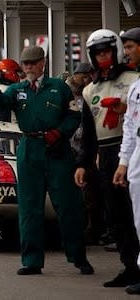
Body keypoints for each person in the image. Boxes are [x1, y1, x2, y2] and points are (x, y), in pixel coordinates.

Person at [0, 45, 94, 276]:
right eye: (26, 64)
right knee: (29, 208)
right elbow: (1, 103)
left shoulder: (59, 87)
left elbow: (74, 115)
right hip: (29, 148)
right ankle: (32, 260)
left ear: (43, 62)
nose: (29, 67)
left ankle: (78, 256)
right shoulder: (17, 89)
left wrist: (61, 132)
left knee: (68, 205)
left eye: (33, 63)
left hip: (57, 150)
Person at [82, 29, 140, 288]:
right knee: (115, 216)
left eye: (107, 52)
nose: (103, 57)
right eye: (98, 54)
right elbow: (88, 131)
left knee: (135, 212)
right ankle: (129, 265)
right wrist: (84, 163)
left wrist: (124, 108)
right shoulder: (89, 90)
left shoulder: (134, 80)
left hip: (130, 148)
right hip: (104, 154)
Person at [112, 27, 140, 295]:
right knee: (139, 218)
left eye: (130, 47)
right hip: (137, 157)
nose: (127, 52)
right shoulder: (135, 88)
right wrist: (123, 163)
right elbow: (130, 128)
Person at [68, 63, 103, 245]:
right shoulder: (67, 93)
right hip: (70, 148)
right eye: (84, 77)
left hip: (87, 148)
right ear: (77, 75)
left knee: (91, 192)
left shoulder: (90, 92)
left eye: (89, 77)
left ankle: (93, 230)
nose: (87, 80)